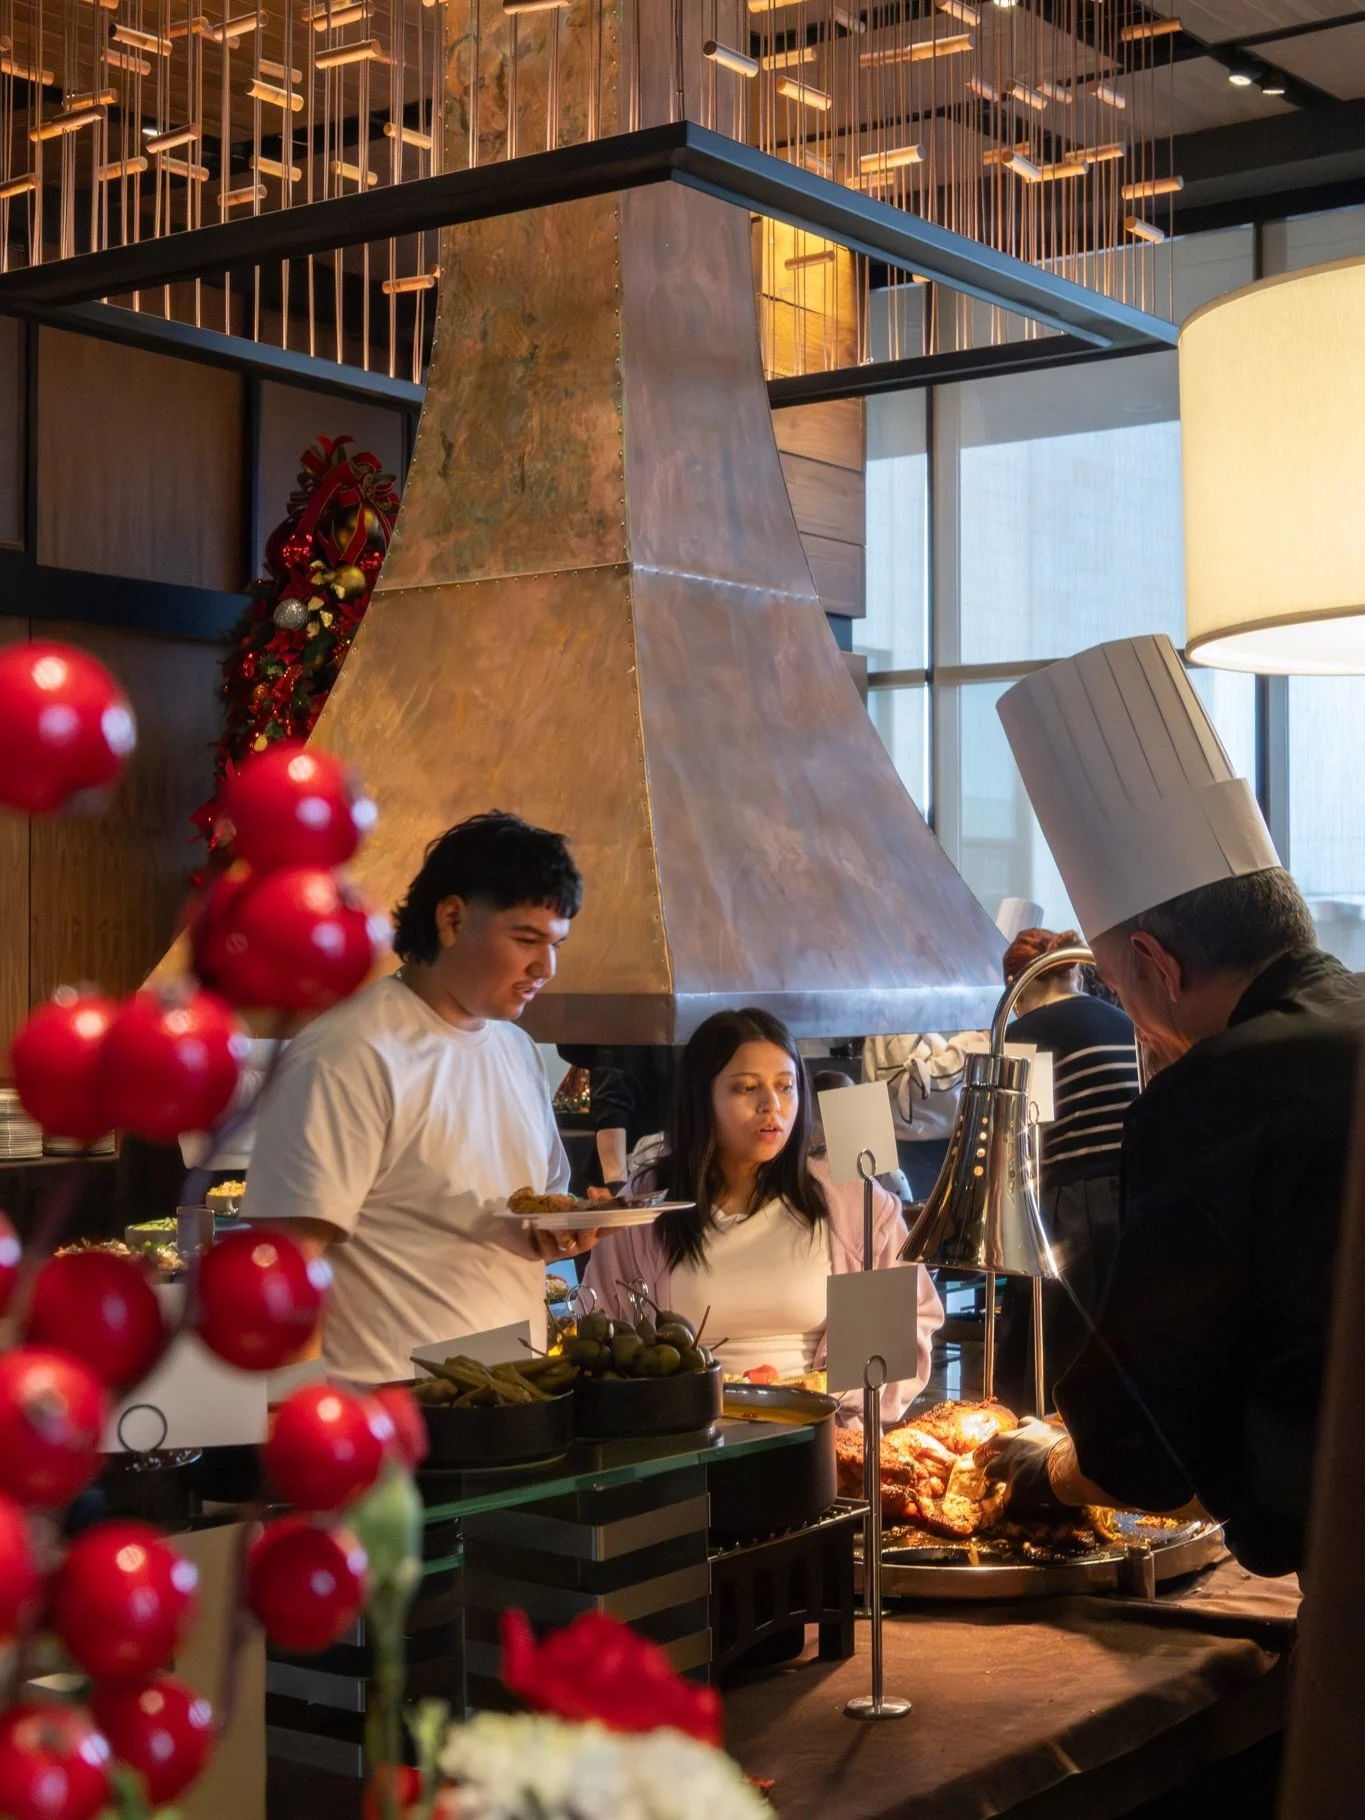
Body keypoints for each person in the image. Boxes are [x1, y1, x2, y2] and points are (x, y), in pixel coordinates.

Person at [987, 633, 1365, 1579]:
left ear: (1154, 965)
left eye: (1115, 983)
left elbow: (1146, 1444)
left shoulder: (1218, 1092)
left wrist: (1049, 1471)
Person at [242, 811, 589, 1386]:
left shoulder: (519, 1052)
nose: (545, 967)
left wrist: (560, 1230)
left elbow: (527, 1212)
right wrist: (303, 1431)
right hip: (387, 1410)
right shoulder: (350, 1053)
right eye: (526, 939)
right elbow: (283, 1270)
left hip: (512, 1398)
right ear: (451, 919)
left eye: (555, 944)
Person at [583, 1009, 943, 1421]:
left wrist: (823, 1390)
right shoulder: (649, 1206)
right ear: (703, 1098)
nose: (771, 1105)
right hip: (686, 1439)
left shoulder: (849, 1204)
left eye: (786, 1087)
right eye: (745, 1088)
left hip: (821, 1440)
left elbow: (907, 1327)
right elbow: (605, 1338)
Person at [995, 926, 1141, 1405]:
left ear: (1020, 982)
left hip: (1065, 1212)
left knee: (1051, 1369)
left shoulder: (1020, 1035)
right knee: (1122, 1361)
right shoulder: (1124, 1021)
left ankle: (1042, 1467)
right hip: (1134, 1201)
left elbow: (1008, 1143)